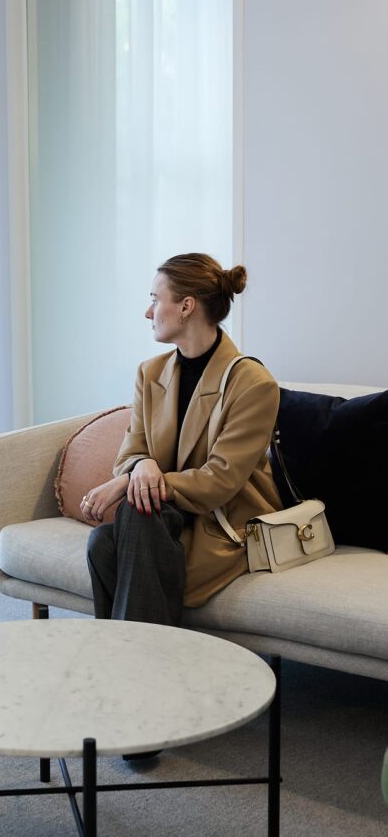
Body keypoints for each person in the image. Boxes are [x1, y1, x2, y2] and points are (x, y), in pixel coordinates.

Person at [81, 252, 282, 626]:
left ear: (187, 306)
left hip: (221, 526)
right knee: (105, 541)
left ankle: (127, 664)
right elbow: (132, 451)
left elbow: (219, 481)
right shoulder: (150, 373)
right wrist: (139, 466)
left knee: (131, 517)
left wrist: (129, 482)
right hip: (163, 520)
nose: (147, 312)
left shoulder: (253, 384)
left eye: (155, 300)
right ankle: (144, 664)